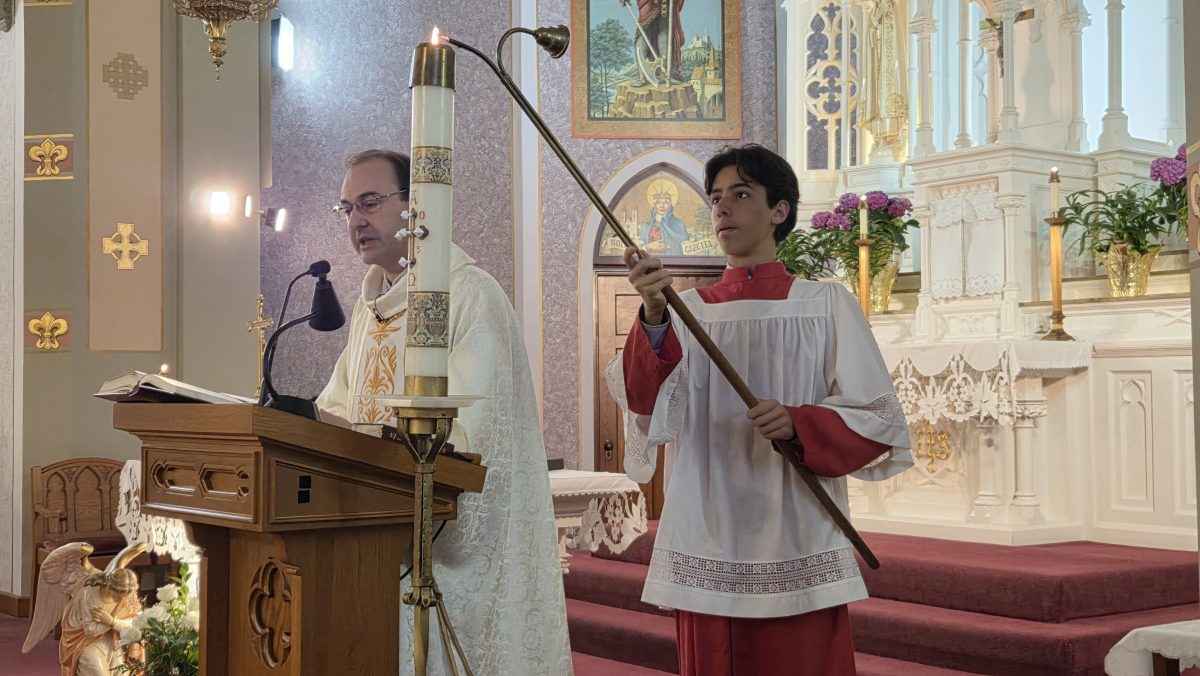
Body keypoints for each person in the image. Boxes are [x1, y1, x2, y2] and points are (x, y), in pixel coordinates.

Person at [607, 144, 913, 675]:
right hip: (707, 524)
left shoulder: (825, 306)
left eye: (742, 194)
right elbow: (644, 400)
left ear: (780, 210)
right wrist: (654, 314)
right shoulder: (686, 311)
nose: (722, 208)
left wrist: (800, 423)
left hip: (795, 529)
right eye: (715, 198)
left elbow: (878, 418)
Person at [317, 149, 573, 676]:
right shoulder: (370, 309)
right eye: (346, 207)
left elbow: (471, 430)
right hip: (373, 532)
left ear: (416, 206)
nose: (355, 220)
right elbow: (335, 408)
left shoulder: (468, 295)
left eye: (370, 202)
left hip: (443, 544)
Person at [639, 180, 691, 256]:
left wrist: (668, 246)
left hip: (672, 261)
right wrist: (648, 247)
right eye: (658, 202)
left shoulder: (678, 224)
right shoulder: (646, 226)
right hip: (650, 262)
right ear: (654, 205)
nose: (662, 205)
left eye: (666, 202)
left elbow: (685, 244)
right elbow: (639, 249)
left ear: (670, 205)